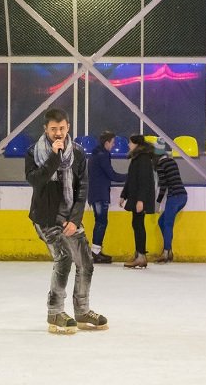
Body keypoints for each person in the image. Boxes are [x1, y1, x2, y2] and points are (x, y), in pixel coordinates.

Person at [25, 108, 107, 334]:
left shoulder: (79, 154)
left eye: (61, 128)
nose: (58, 133)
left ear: (68, 127)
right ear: (46, 129)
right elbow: (35, 181)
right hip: (45, 217)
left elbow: (82, 189)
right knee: (63, 258)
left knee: (86, 262)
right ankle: (55, 312)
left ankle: (81, 310)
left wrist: (75, 219)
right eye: (53, 129)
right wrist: (53, 156)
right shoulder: (34, 152)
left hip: (70, 217)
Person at [87, 131, 127, 263]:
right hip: (100, 194)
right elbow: (112, 175)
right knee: (101, 222)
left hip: (95, 194)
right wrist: (129, 177)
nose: (114, 144)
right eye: (113, 142)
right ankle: (95, 252)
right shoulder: (102, 155)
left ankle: (96, 251)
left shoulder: (95, 155)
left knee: (100, 222)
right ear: (107, 143)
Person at [120, 135, 156, 269]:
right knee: (137, 223)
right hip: (135, 197)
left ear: (136, 144)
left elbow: (144, 181)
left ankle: (141, 256)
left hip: (140, 198)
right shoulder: (137, 158)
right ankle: (139, 254)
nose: (128, 144)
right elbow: (131, 179)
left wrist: (141, 200)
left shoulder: (143, 159)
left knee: (138, 224)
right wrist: (124, 195)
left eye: (130, 142)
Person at [153, 137, 187, 263]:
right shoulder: (172, 161)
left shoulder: (161, 165)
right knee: (162, 222)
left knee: (167, 224)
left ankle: (166, 252)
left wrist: (157, 202)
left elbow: (163, 186)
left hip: (174, 196)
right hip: (183, 196)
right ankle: (169, 250)